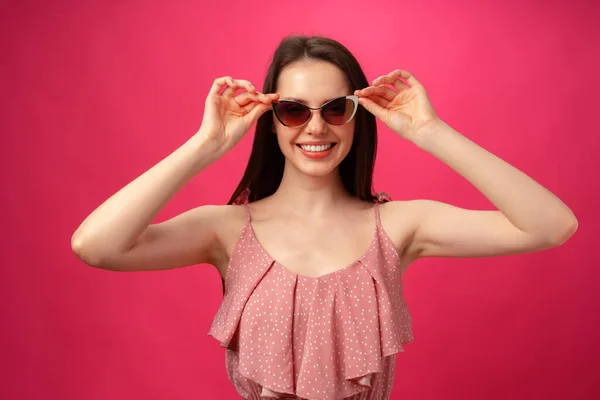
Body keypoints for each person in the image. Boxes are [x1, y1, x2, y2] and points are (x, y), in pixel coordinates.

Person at [71, 35, 578, 399]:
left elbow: (550, 226)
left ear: (357, 118)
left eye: (335, 108)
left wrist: (428, 130)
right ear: (270, 122)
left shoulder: (400, 226)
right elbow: (95, 246)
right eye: (293, 109)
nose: (316, 127)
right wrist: (206, 146)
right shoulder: (226, 230)